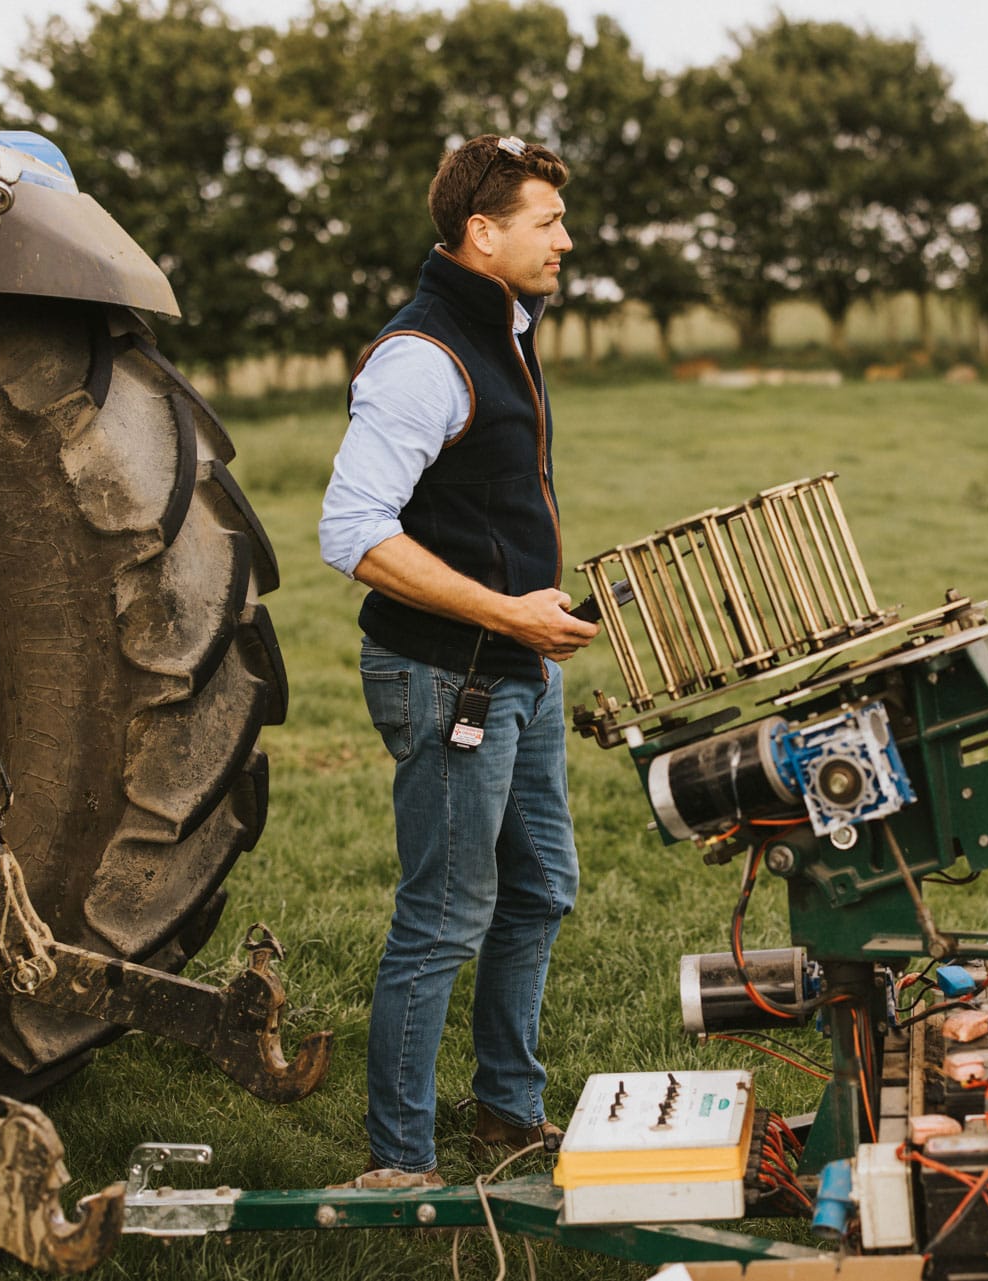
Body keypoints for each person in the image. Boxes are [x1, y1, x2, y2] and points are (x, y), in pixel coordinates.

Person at [318, 134, 600, 1190]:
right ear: (483, 235)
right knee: (443, 916)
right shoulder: (422, 357)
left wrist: (535, 619)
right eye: (547, 223)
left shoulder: (505, 330)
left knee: (540, 890)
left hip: (516, 668)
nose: (566, 241)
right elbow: (352, 534)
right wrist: (505, 615)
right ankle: (399, 1164)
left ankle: (507, 1115)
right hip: (449, 678)